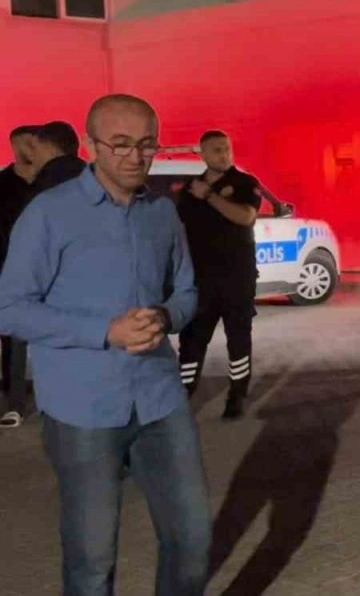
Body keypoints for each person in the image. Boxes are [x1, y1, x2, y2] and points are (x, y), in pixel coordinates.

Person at [0, 94, 210, 595]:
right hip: (83, 409)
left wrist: (166, 315)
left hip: (160, 399)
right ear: (91, 144)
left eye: (146, 145)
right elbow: (10, 308)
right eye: (120, 144)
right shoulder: (49, 214)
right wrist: (105, 332)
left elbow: (186, 293)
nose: (136, 157)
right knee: (92, 561)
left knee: (192, 541)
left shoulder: (162, 213)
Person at [176, 129, 262, 421]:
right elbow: (178, 229)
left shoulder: (245, 183)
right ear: (202, 154)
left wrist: (210, 196)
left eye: (226, 148)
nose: (224, 154)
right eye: (216, 150)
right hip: (200, 280)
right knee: (192, 339)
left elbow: (246, 216)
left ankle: (236, 396)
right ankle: (183, 394)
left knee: (238, 338)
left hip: (237, 279)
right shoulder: (190, 189)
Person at [0, 125, 39, 428]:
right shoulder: (2, 184)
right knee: (13, 338)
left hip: (47, 269)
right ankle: (14, 403)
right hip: (8, 270)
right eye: (23, 144)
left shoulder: (50, 183)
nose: (29, 149)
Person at [29, 120, 88, 193]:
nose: (30, 155)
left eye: (34, 148)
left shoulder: (45, 185)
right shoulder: (94, 180)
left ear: (50, 147)